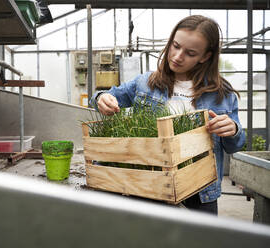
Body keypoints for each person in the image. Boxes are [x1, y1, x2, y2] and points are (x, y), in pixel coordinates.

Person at [90, 15, 246, 214]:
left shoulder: (222, 95)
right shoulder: (146, 83)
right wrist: (102, 98)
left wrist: (233, 131)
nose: (178, 56)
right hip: (148, 188)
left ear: (205, 56)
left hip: (200, 195)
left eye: (190, 53)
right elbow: (102, 97)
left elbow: (235, 146)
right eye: (175, 45)